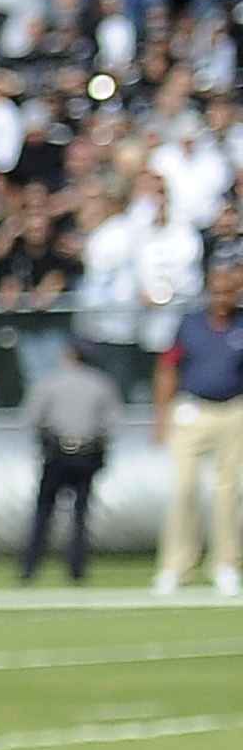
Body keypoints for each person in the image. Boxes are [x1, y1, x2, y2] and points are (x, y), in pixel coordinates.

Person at [152, 253, 243, 595]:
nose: (223, 299)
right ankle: (175, 566)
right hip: (192, 410)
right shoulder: (189, 324)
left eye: (229, 292)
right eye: (217, 292)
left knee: (227, 493)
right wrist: (161, 417)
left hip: (233, 410)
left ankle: (225, 564)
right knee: (184, 490)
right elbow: (167, 368)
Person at [23, 336, 120, 583]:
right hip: (88, 453)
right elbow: (111, 425)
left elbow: (33, 418)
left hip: (56, 453)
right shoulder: (102, 384)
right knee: (81, 515)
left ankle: (29, 569)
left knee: (44, 513)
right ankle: (76, 569)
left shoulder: (49, 382)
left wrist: (43, 444)